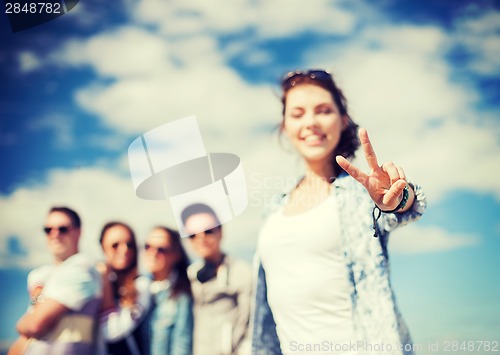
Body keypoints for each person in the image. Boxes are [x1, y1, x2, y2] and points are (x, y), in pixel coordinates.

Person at [252, 70, 427, 355]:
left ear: (342, 121)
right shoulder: (273, 209)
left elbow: (403, 207)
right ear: (285, 126)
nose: (310, 122)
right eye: (297, 114)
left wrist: (398, 197)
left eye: (323, 111)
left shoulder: (360, 193)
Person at [11, 206, 102, 355]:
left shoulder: (81, 269)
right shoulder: (44, 274)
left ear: (79, 232)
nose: (55, 234)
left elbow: (34, 325)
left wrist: (20, 325)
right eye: (48, 229)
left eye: (63, 229)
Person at [181, 203, 253, 355]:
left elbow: (250, 323)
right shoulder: (189, 275)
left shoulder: (242, 272)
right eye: (192, 235)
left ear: (220, 232)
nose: (201, 239)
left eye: (208, 232)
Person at [138, 226, 193, 354]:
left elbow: (181, 347)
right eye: (147, 246)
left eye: (161, 249)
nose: (153, 253)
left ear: (176, 255)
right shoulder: (138, 290)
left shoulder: (181, 297)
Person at [98, 222, 150, 355]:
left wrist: (105, 282)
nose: (124, 249)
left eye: (129, 244)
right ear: (103, 248)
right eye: (115, 245)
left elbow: (111, 332)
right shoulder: (95, 281)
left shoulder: (142, 286)